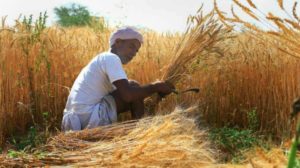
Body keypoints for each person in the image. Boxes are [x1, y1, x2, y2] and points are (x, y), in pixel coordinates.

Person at [62, 27, 174, 131]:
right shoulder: (111, 58)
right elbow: (128, 95)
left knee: (130, 85)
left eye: (136, 50)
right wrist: (157, 86)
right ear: (118, 42)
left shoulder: (102, 58)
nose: (134, 53)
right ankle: (139, 133)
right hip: (89, 117)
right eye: (131, 46)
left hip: (72, 122)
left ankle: (138, 131)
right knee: (133, 87)